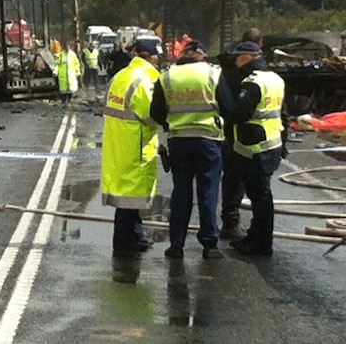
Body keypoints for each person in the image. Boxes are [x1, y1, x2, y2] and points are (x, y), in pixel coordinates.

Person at [151, 40, 233, 260]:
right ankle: (210, 245)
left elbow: (156, 111)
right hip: (208, 141)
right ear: (201, 55)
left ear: (183, 54)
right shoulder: (213, 74)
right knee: (208, 192)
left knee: (181, 193)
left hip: (179, 141)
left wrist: (170, 124)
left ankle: (176, 244)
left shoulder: (167, 76)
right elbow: (229, 107)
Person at [101, 39, 162, 253]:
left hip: (118, 143)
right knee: (130, 198)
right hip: (136, 144)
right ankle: (127, 241)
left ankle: (134, 234)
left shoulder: (121, 76)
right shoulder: (144, 81)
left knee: (126, 197)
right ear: (151, 57)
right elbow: (150, 115)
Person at [226, 40, 285, 256]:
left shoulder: (253, 82)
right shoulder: (275, 79)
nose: (236, 61)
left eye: (239, 57)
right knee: (261, 195)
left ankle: (261, 242)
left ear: (249, 57)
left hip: (255, 146)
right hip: (271, 142)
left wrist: (225, 115)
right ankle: (256, 234)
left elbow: (241, 112)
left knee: (259, 197)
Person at [217, 27, 263, 240]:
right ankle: (253, 230)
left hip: (230, 133)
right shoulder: (258, 75)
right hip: (254, 137)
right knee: (253, 186)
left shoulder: (226, 70)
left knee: (232, 181)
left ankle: (230, 222)